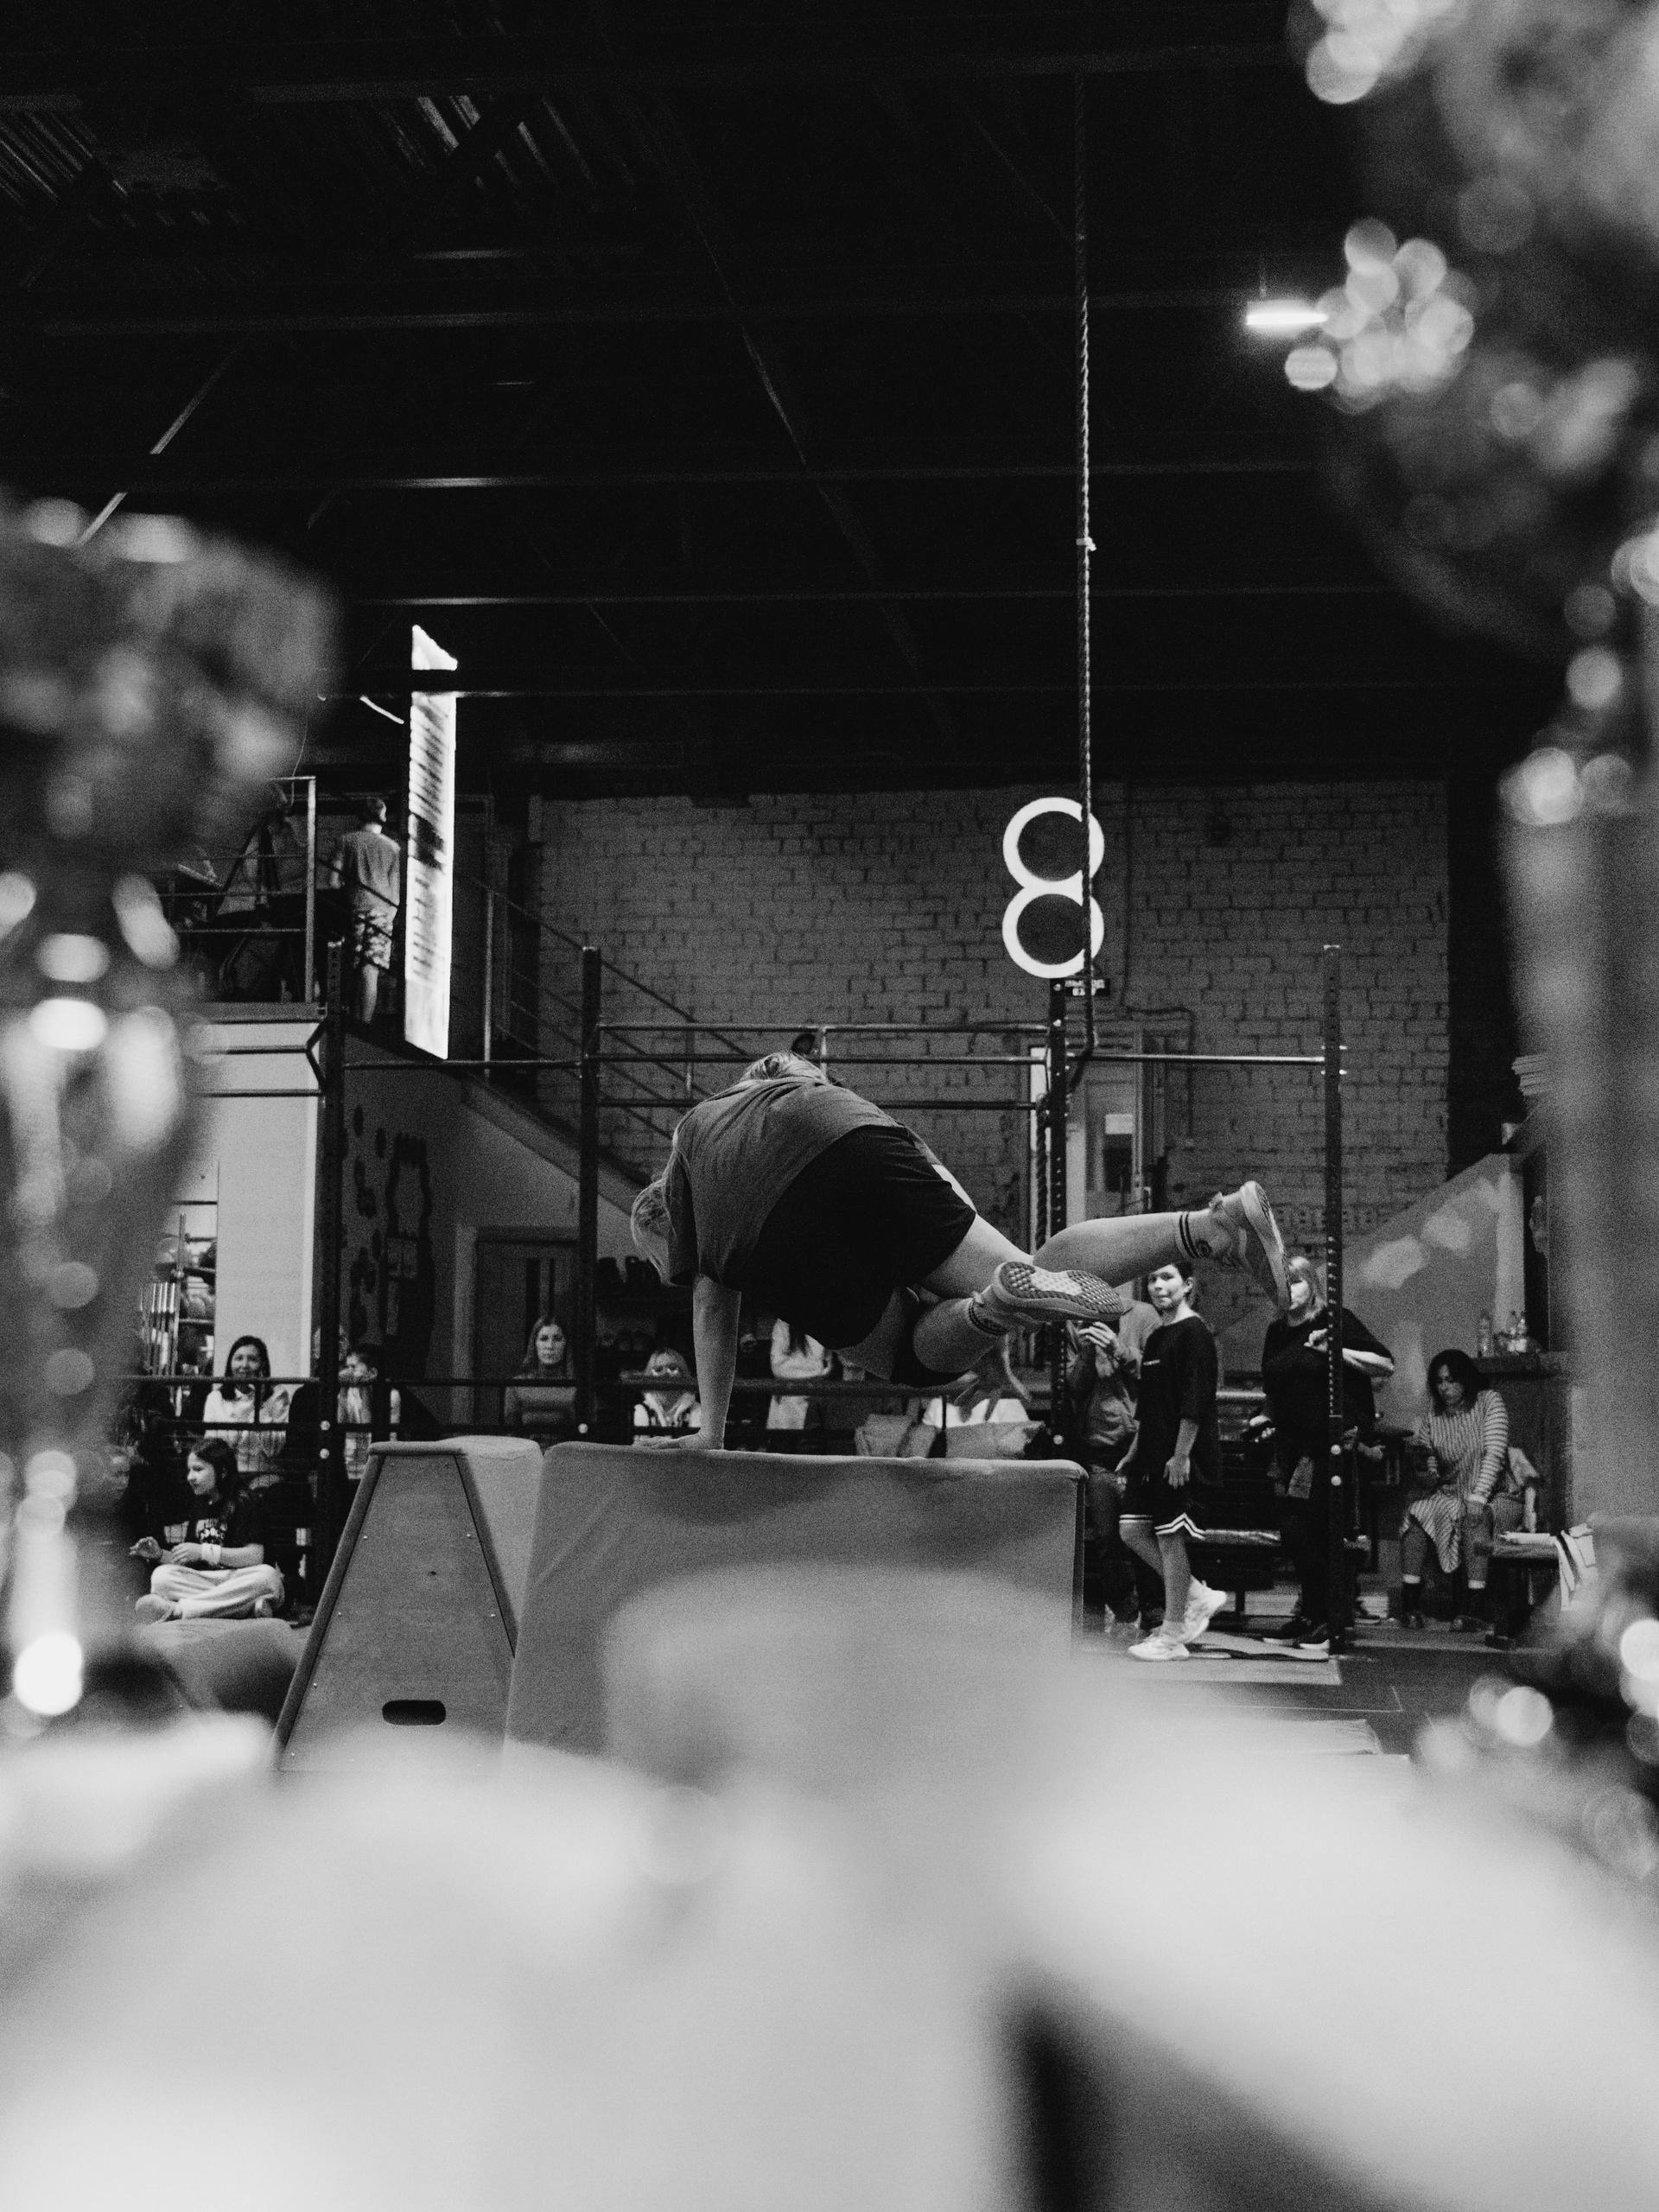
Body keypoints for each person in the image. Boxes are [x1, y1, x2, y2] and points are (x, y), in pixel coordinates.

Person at [628, 1052, 1290, 1452]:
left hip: (781, 1230)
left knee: (908, 1359)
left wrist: (712, 1429)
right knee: (1026, 1270)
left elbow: (712, 1304)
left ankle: (989, 1310)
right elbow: (946, 1190)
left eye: (664, 1262)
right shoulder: (811, 1100)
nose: (671, 1271)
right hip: (861, 1144)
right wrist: (999, 1317)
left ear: (664, 1219)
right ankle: (1211, 1225)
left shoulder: (691, 1157)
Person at [1259, 1254, 1395, 1649]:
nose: (1289, 1290)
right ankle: (1311, 1614)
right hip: (1292, 1444)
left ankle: (1328, 1619)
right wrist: (1264, 1417)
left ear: (1311, 1284)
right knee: (1295, 1532)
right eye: (1282, 1284)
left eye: (1296, 1282)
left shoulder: (1334, 1320)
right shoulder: (1276, 1331)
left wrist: (1335, 1352)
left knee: (1317, 1529)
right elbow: (1275, 1387)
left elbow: (1385, 1364)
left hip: (1330, 1442)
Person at [1116, 1260, 1230, 1661]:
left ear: (1188, 1285)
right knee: (1131, 1531)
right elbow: (1150, 1405)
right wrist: (1134, 1452)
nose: (1158, 1285)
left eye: (1167, 1277)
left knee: (1169, 1539)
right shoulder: (1158, 1335)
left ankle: (1172, 1634)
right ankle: (1197, 1594)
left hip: (1180, 1458)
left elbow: (1194, 1402)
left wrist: (1181, 1456)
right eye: (1153, 1279)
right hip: (1150, 1456)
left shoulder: (1195, 1333)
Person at [1401, 1348, 1522, 1630]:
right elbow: (1430, 1471)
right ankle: (1410, 1606)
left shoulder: (1489, 1401)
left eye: (1451, 1380)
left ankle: (1474, 1610)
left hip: (1497, 1494)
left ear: (1466, 1379)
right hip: (1453, 1493)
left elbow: (1494, 1454)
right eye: (1439, 1382)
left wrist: (1478, 1496)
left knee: (1474, 1518)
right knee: (1416, 1514)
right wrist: (1423, 1469)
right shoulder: (1433, 1416)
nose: (1444, 1388)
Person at [1066, 1307, 1164, 1626]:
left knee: (1143, 1532)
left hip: (1140, 1446)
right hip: (1099, 1449)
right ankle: (1124, 1610)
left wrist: (1117, 1349)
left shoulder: (1143, 1317)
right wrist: (1087, 1353)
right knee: (1107, 1537)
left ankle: (1154, 1612)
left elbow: (1160, 1373)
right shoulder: (1074, 1321)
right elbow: (1075, 1387)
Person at [130, 1437, 284, 1622]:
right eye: (189, 1470)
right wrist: (159, 1554)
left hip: (239, 1579)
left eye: (198, 1469)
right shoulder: (200, 1504)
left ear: (222, 1471)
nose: (190, 1477)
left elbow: (255, 1557)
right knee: (161, 1577)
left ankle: (179, 1610)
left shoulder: (245, 1501)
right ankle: (245, 1608)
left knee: (267, 1577)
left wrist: (204, 1551)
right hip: (211, 1582)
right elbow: (189, 1559)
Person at [335, 796, 401, 1024]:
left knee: (352, 968)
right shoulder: (393, 848)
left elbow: (332, 880)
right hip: (382, 912)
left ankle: (352, 1020)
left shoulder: (346, 841)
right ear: (382, 817)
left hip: (355, 909)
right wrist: (390, 915)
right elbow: (395, 890)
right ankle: (363, 1025)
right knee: (370, 971)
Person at [200, 1335, 290, 1486]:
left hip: (264, 1475)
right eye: (239, 1358)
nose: (244, 1365)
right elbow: (212, 1448)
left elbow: (273, 1450)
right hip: (227, 1476)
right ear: (230, 1363)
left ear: (262, 1364)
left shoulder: (277, 1394)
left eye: (252, 1359)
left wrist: (259, 1405)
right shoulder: (215, 1398)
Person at [504, 1315, 579, 1445]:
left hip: (564, 1453)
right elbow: (510, 1435)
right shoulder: (517, 1385)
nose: (550, 1346)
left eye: (557, 1339)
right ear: (535, 1343)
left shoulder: (576, 1385)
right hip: (527, 1453)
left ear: (566, 1344)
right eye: (544, 1339)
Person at [766, 1319, 835, 1439]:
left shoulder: (825, 1323)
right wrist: (816, 1369)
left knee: (811, 1443)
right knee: (785, 1442)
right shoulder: (783, 1324)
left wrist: (816, 1369)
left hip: (815, 1399)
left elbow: (828, 1366)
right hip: (788, 1401)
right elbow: (778, 1367)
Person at [632, 1348, 701, 1441]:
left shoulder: (697, 1411)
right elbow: (639, 1448)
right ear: (649, 1376)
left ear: (683, 1373)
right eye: (658, 1369)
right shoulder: (640, 1411)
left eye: (672, 1368)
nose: (665, 1373)